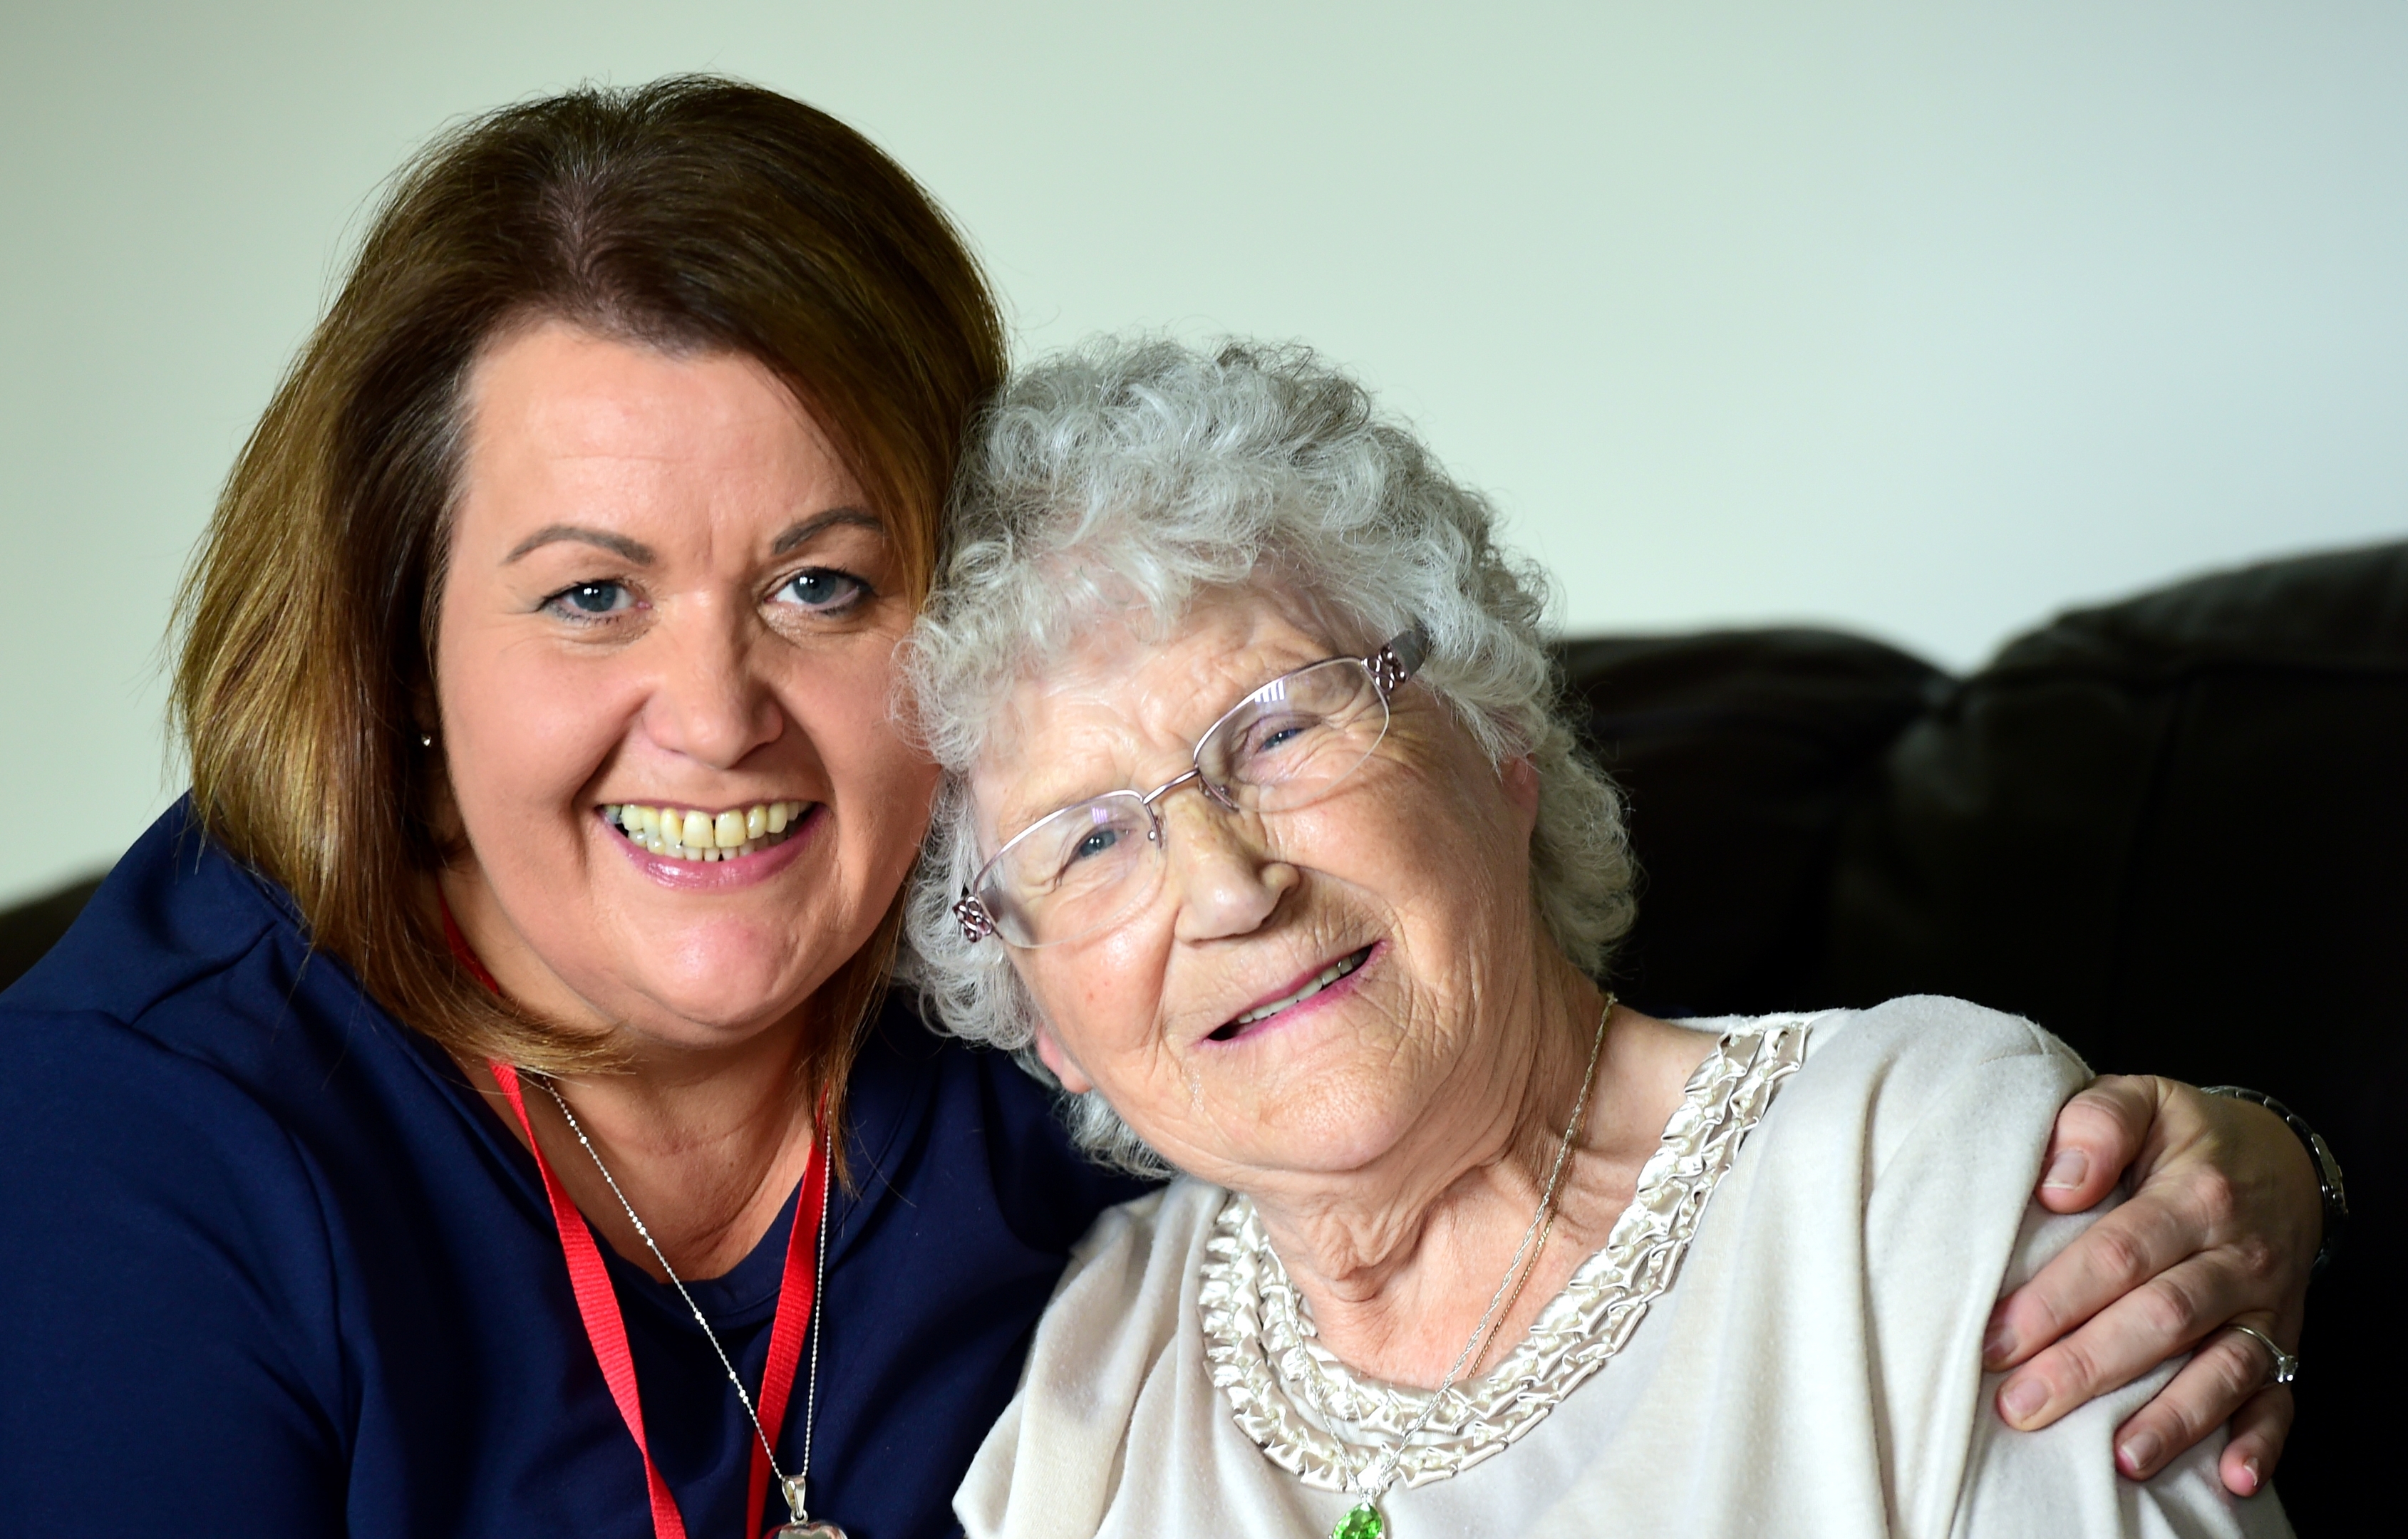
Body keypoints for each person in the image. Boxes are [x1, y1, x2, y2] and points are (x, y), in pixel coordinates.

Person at [0, 81, 2324, 1539]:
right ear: (403, 661)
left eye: (826, 582)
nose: (713, 714)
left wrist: (2258, 1165)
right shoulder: (155, 1139)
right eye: (590, 592)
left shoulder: (1038, 1024)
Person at [903, 339, 2311, 1537]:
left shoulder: (1927, 1175)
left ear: (1496, 737)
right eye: (1086, 840)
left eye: (1275, 728)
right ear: (1034, 1013)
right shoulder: (1093, 1374)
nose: (1224, 886)